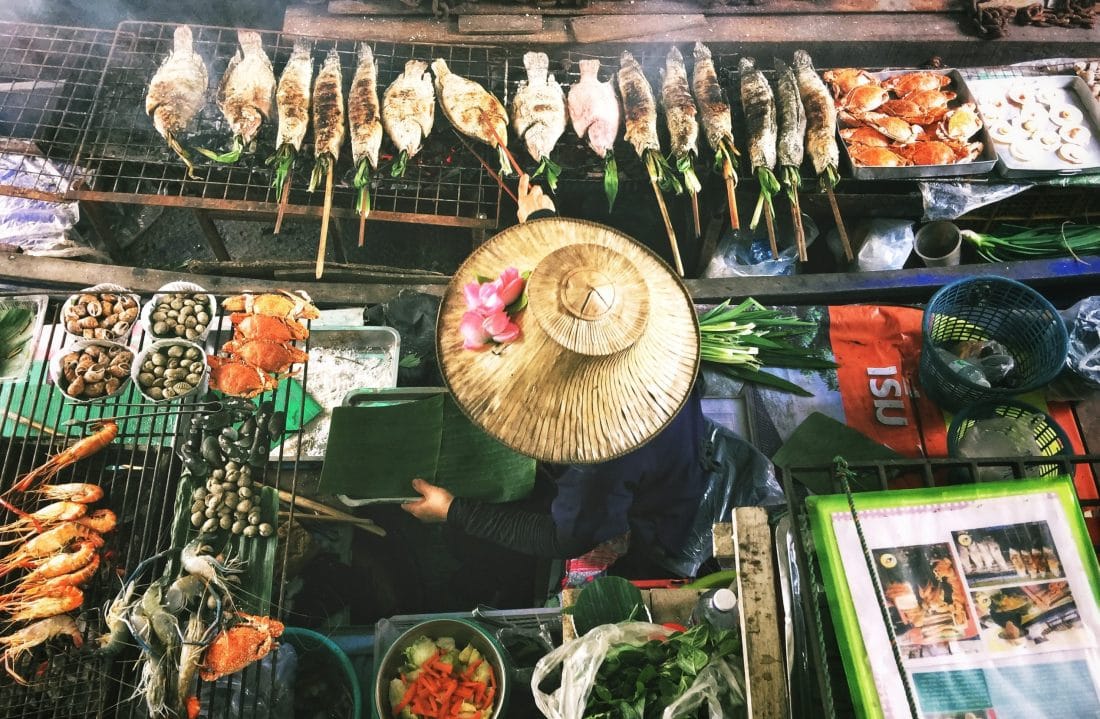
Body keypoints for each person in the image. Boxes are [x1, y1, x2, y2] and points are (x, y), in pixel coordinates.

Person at [402, 174, 713, 581]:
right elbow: (582, 295)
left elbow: (562, 538)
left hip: (663, 507)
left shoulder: (597, 455)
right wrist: (542, 221)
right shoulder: (633, 307)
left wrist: (454, 511)